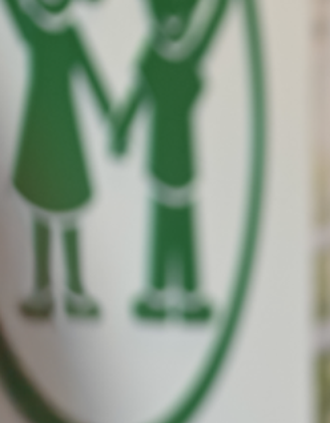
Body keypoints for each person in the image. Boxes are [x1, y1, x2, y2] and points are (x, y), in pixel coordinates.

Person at [111, 0, 233, 324]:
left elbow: (212, 26)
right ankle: (157, 292)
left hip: (184, 153)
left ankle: (189, 294)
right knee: (163, 225)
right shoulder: (153, 56)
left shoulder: (190, 54)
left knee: (183, 224)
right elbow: (136, 96)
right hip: (161, 153)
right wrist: (121, 129)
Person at [4, 0, 110, 321]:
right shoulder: (34, 30)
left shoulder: (69, 35)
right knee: (39, 210)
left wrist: (112, 119)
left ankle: (75, 288)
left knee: (69, 211)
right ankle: (42, 288)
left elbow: (91, 76)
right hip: (39, 130)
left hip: (65, 132)